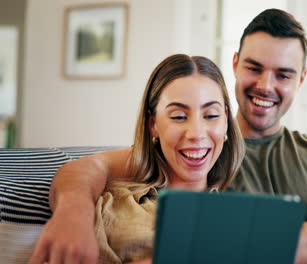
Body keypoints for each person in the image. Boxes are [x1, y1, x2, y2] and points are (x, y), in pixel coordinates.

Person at [30, 9, 307, 264]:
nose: (266, 85)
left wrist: (210, 250)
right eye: (254, 67)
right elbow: (88, 167)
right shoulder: (190, 154)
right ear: (235, 63)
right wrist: (73, 212)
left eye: (283, 74)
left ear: (301, 79)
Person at [28, 54, 244, 264]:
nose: (197, 133)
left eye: (212, 115)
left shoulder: (242, 216)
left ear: (226, 119)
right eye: (178, 116)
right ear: (153, 124)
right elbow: (87, 168)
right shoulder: (116, 207)